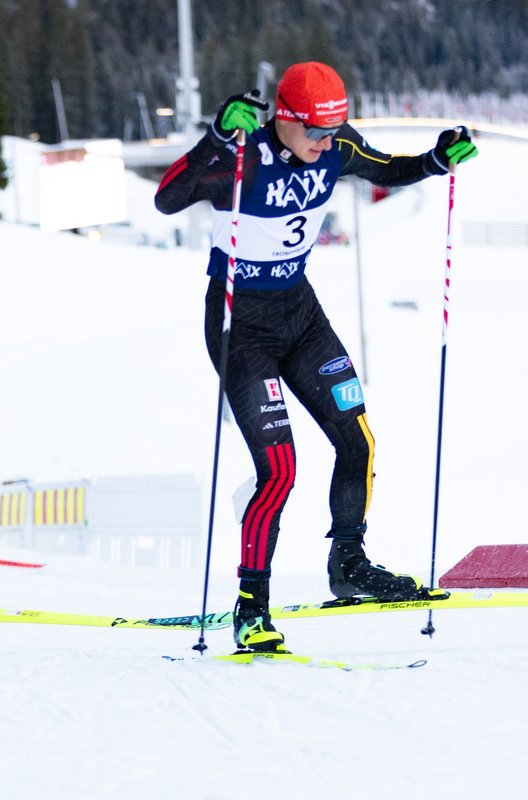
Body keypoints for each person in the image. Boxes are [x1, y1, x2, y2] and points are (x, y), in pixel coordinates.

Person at [154, 61, 478, 653]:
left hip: (301, 316)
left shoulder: (336, 145)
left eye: (335, 133)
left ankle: (348, 564)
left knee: (358, 440)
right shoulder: (241, 153)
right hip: (239, 327)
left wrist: (436, 160)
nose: (328, 144)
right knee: (279, 470)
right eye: (316, 134)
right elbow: (167, 199)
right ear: (284, 118)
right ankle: (251, 604)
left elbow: (388, 167)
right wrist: (215, 139)